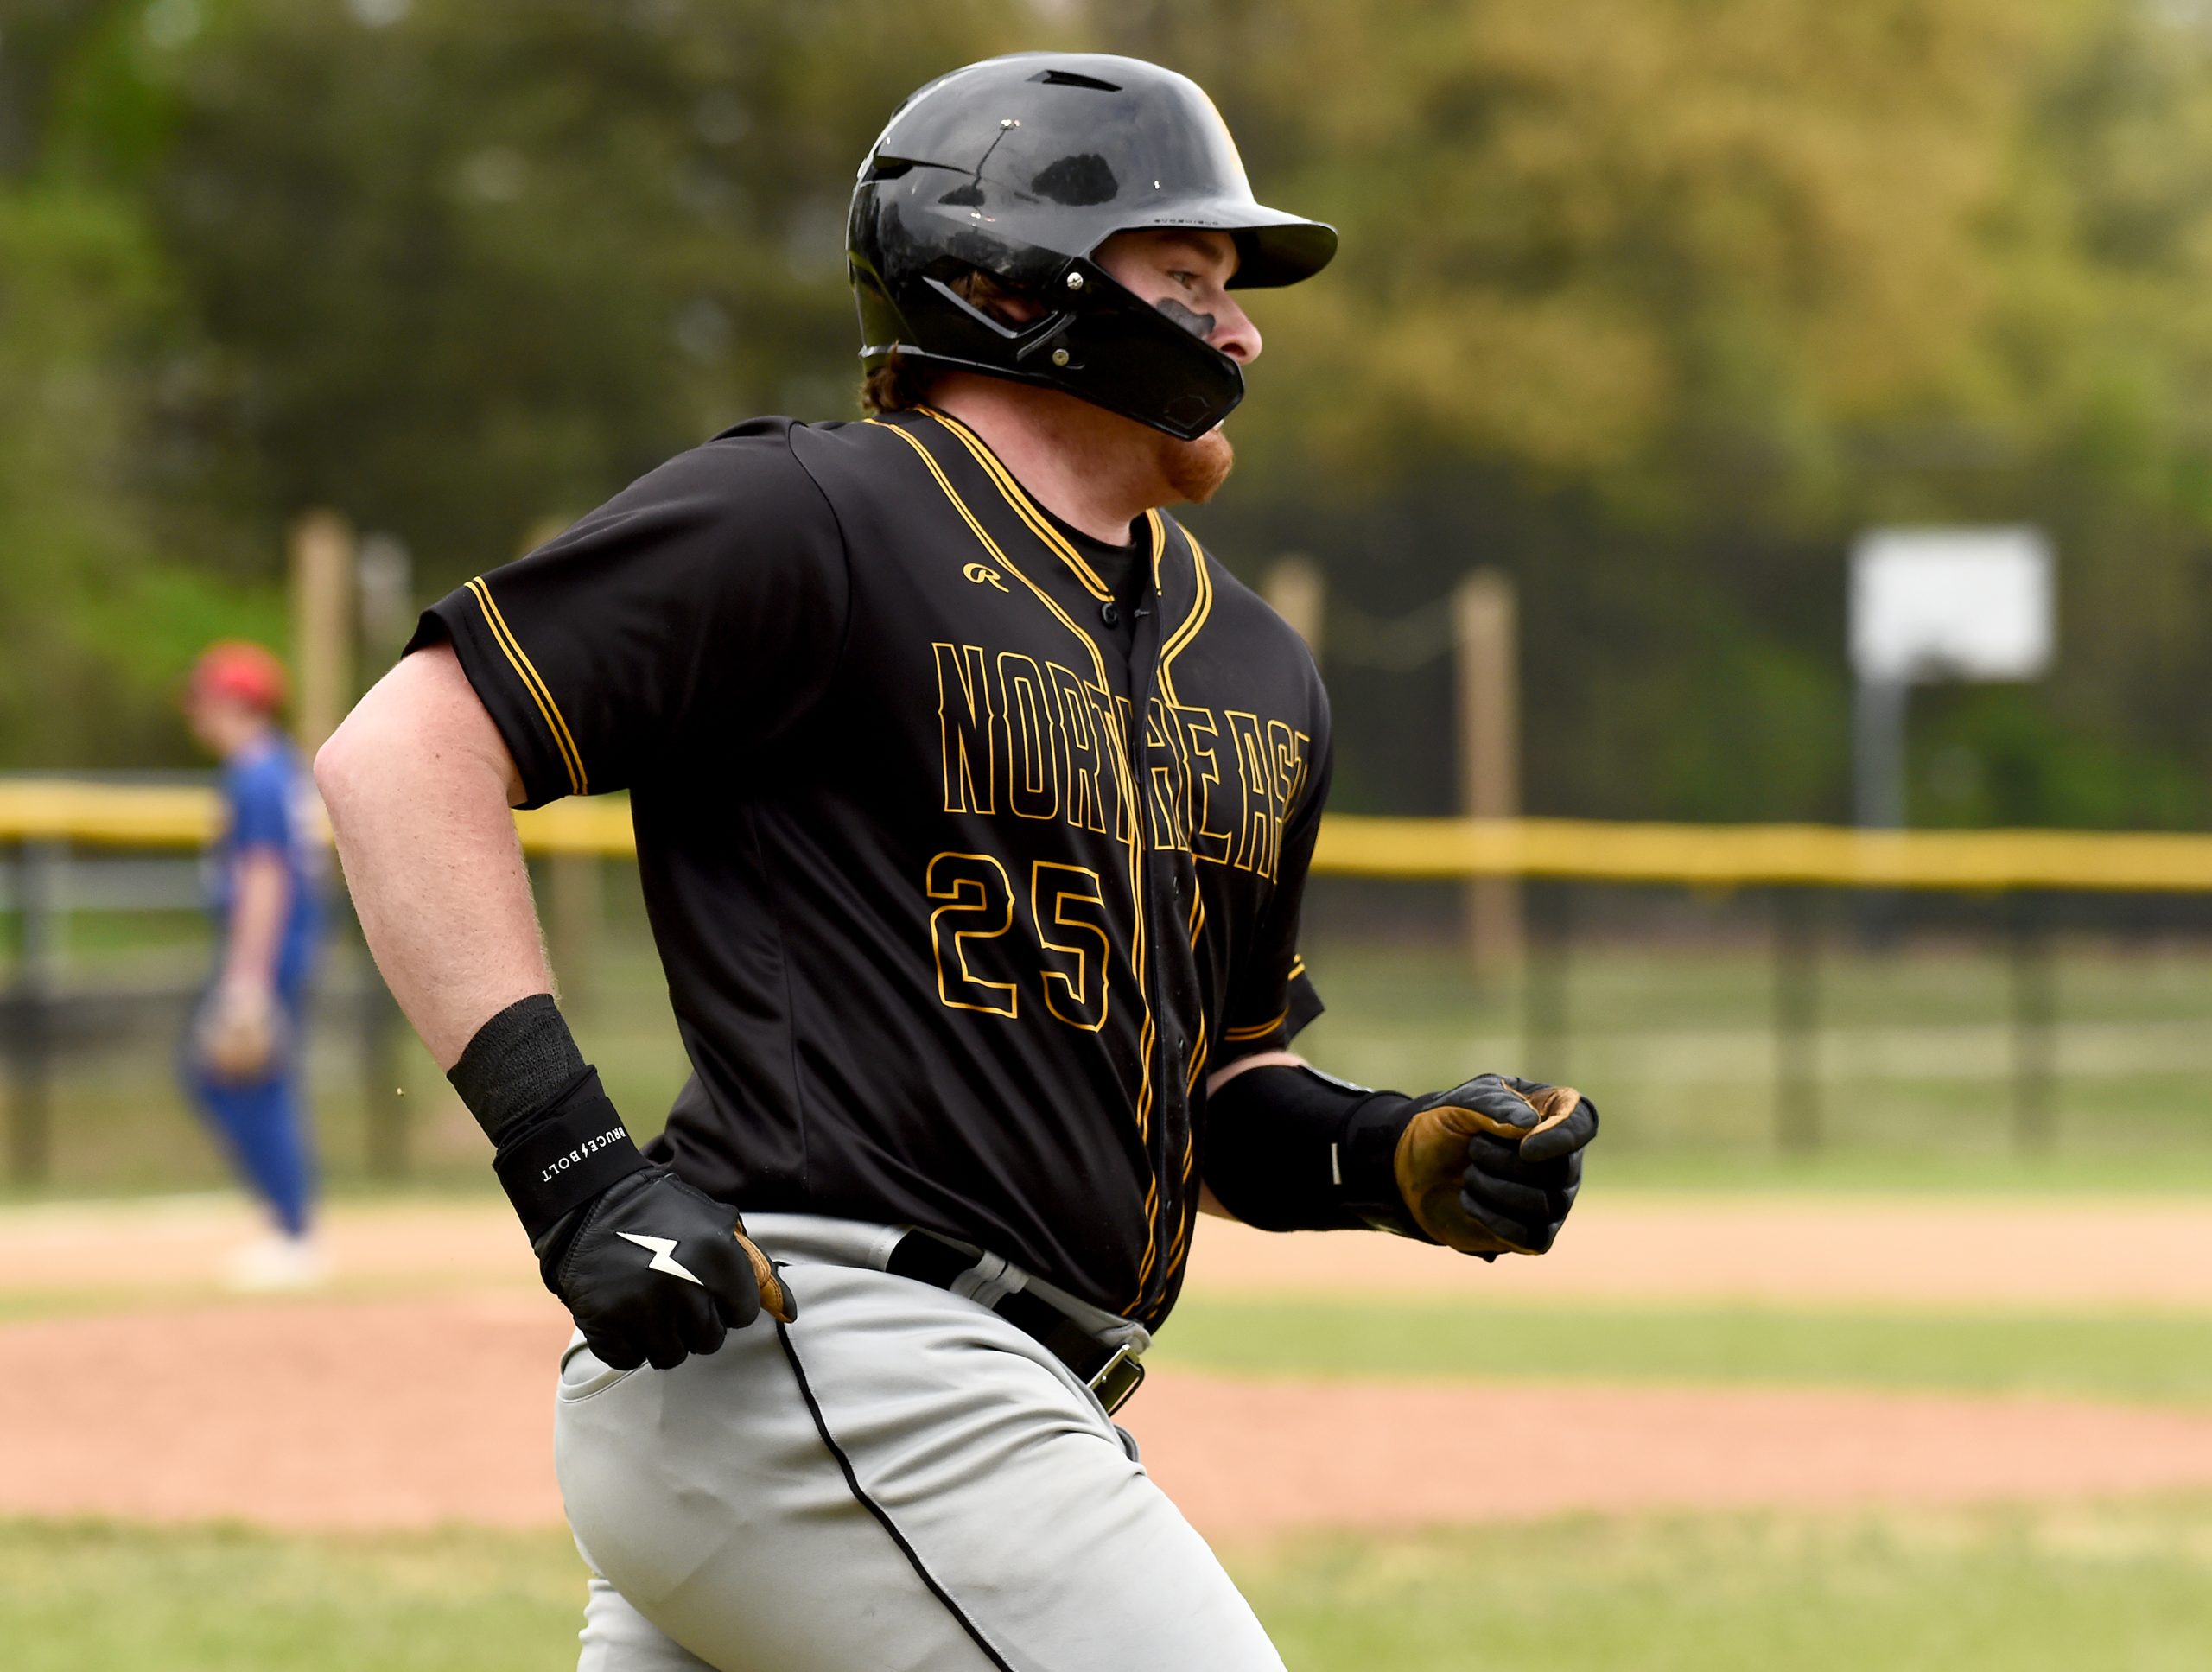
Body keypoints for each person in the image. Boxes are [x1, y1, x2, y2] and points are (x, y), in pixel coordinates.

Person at [316, 52, 1596, 1671]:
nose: (1244, 332)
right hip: (843, 1357)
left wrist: (1394, 1155)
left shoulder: (1257, 668)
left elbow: (1216, 1088)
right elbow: (402, 755)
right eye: (1188, 277)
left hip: (943, 1401)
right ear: (1010, 287)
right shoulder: (815, 518)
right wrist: (570, 1165)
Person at [181, 639, 326, 1289]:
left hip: (266, 952)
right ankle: (285, 1219)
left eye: (205, 696)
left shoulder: (258, 771)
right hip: (275, 950)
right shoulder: (272, 766)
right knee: (229, 1080)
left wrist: (247, 978)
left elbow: (265, 879)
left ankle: (294, 1231)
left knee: (250, 1083)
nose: (196, 710)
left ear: (236, 702)